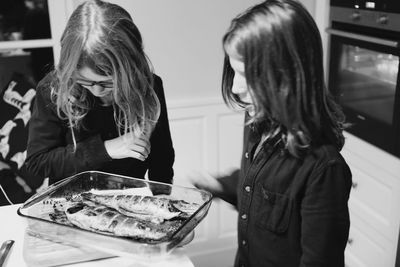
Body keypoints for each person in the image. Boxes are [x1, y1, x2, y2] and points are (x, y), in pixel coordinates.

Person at [190, 0, 352, 266]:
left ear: (287, 77)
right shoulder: (257, 124)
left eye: (246, 75)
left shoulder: (324, 169)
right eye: (233, 71)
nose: (235, 88)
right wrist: (221, 185)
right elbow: (263, 191)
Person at [26, 0, 174, 185]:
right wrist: (106, 149)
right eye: (84, 81)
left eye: (108, 83)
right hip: (70, 204)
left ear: (131, 70)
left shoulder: (149, 86)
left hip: (131, 201)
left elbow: (162, 158)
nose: (97, 90)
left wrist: (162, 200)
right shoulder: (52, 90)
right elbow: (38, 162)